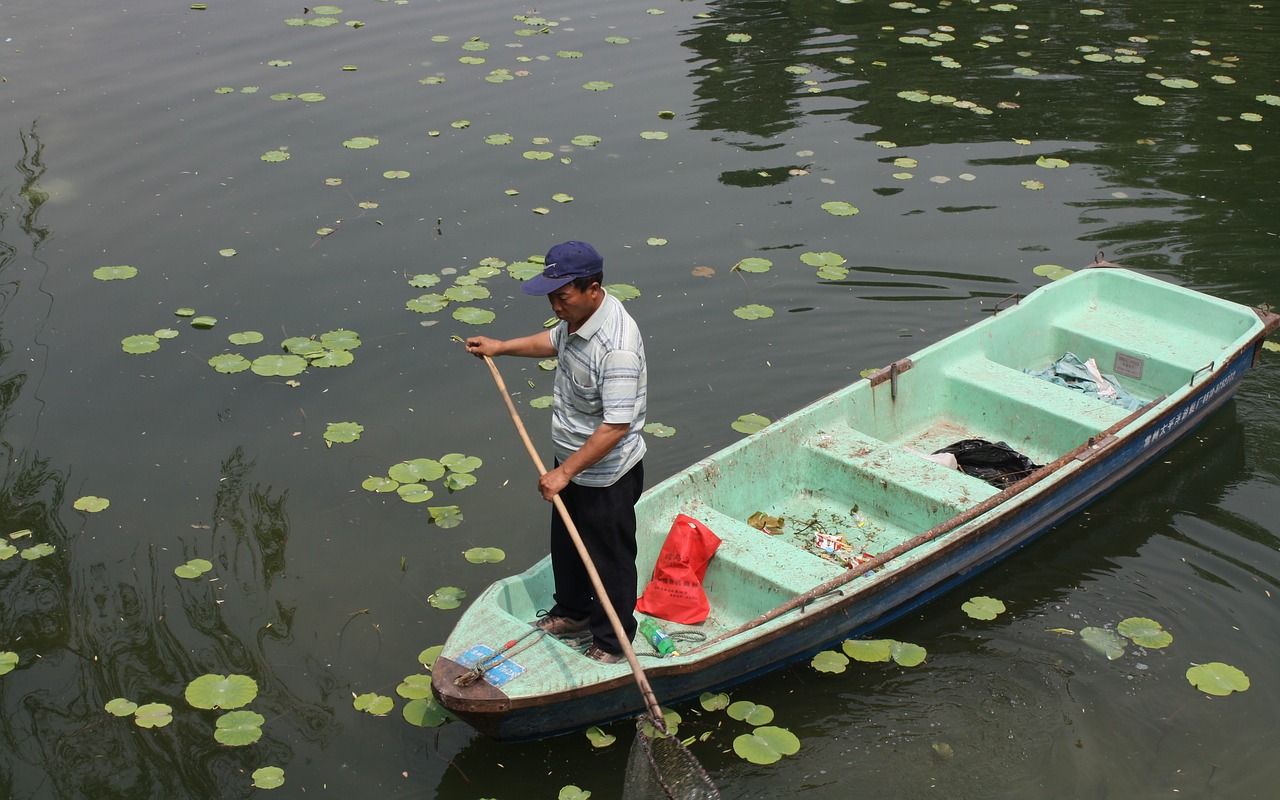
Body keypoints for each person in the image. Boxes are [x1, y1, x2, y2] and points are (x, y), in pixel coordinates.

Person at [465, 241, 647, 664]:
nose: (555, 306)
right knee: (566, 542)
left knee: (610, 559)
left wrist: (564, 473)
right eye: (552, 296)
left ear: (593, 289)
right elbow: (553, 342)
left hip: (606, 473)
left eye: (562, 297)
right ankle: (574, 612)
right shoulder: (577, 318)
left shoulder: (616, 345)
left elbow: (617, 426)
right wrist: (500, 347)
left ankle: (612, 641)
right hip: (570, 460)